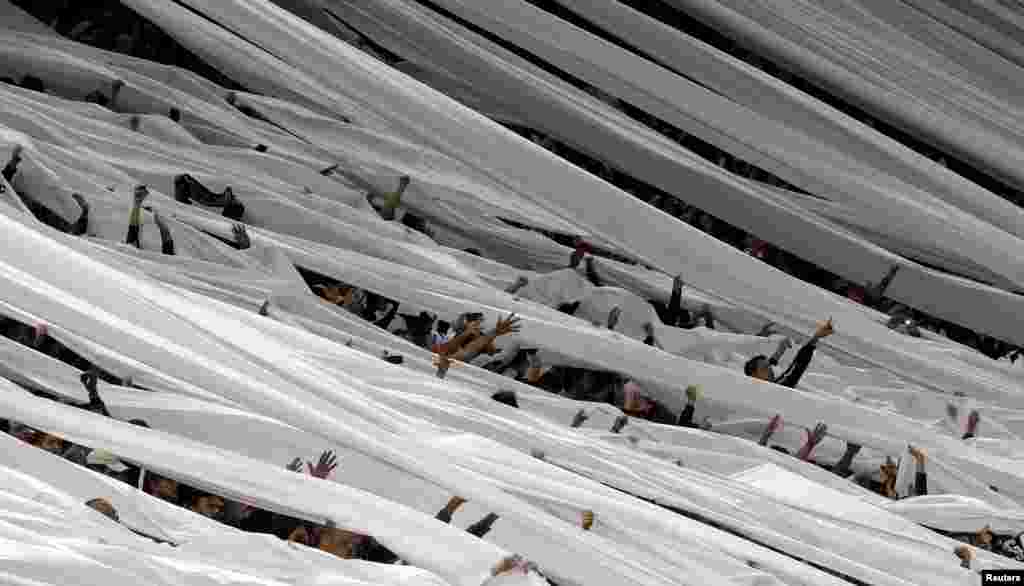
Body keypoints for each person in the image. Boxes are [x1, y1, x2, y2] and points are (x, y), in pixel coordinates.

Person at [744, 318, 834, 388]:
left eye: (768, 367)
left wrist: (780, 351)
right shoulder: (777, 388)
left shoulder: (768, 385)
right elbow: (795, 368)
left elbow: (771, 362)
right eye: (764, 368)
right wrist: (816, 337)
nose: (770, 370)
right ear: (754, 377)